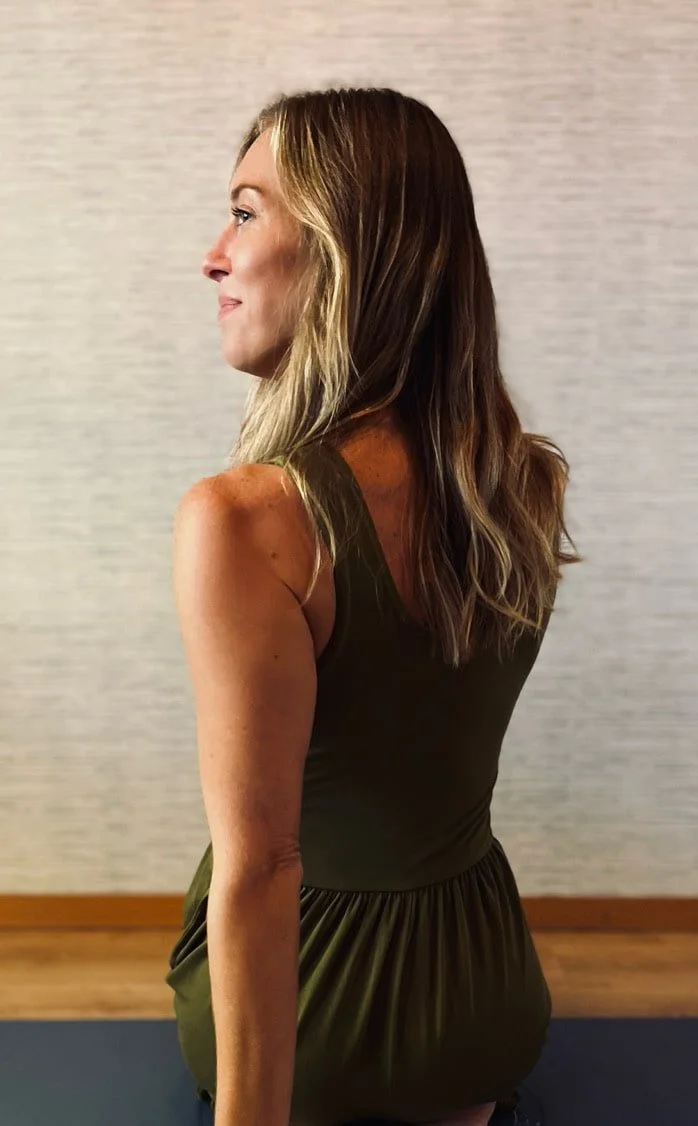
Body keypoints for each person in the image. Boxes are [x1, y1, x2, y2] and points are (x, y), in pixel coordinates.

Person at [164, 87, 581, 1126]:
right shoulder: (519, 482)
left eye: (248, 212)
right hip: (481, 1004)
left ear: (346, 250)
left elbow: (262, 867)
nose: (214, 253)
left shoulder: (243, 517)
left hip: (307, 1022)